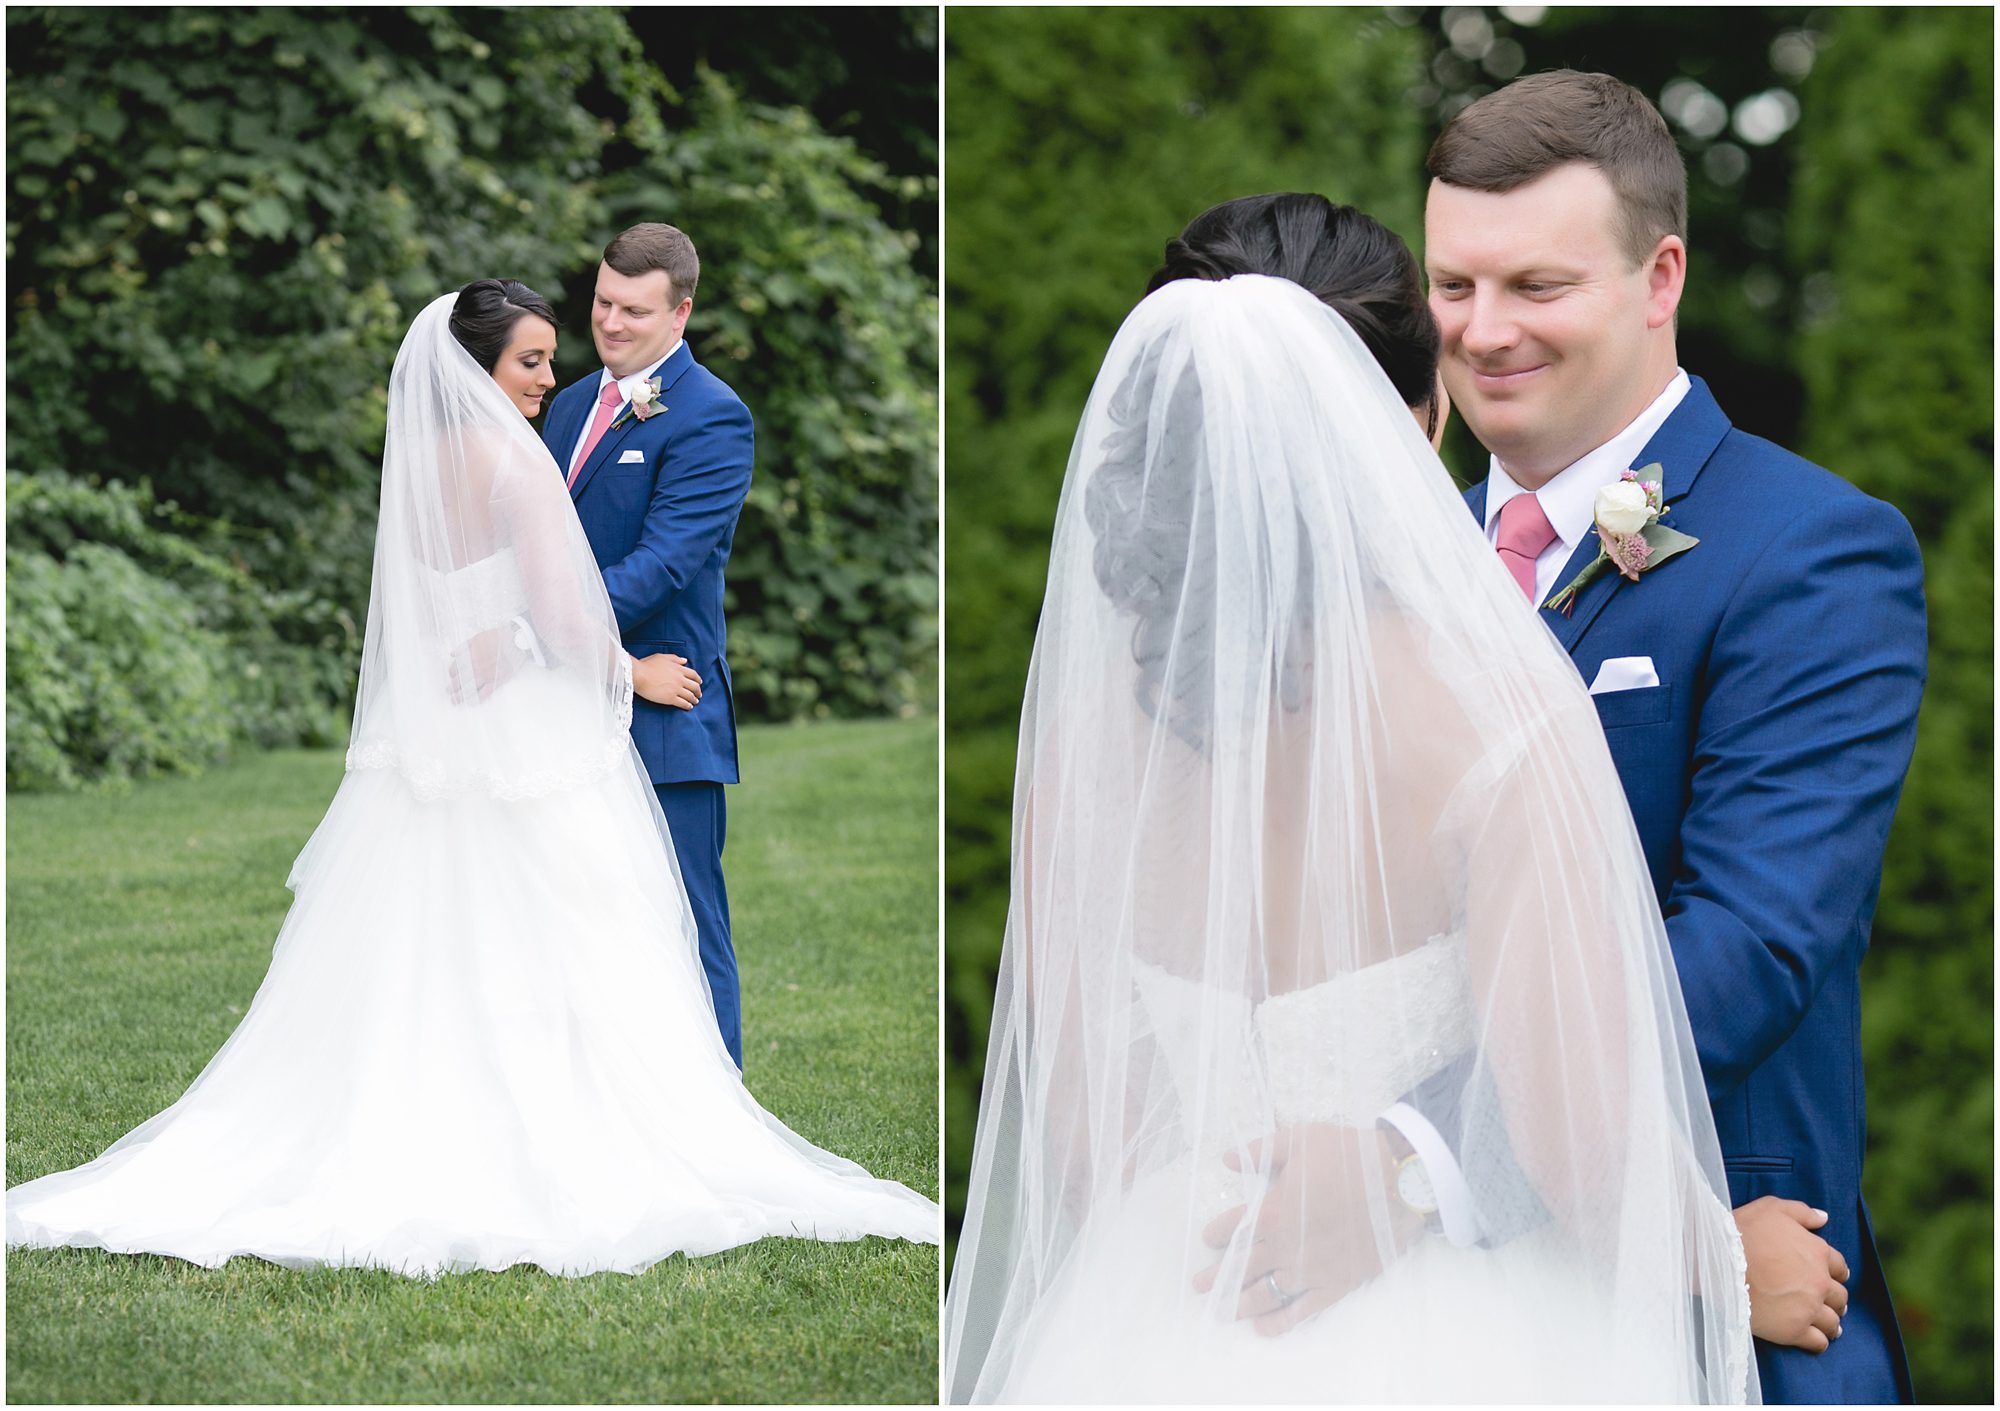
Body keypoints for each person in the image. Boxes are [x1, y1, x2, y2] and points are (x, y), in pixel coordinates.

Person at [941, 193, 1754, 1403]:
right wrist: (1729, 1262)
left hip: (1162, 1294)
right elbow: (1576, 1136)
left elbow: (1083, 1126)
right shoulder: (1495, 710)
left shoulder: (1084, 728)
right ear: (1408, 428)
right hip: (1453, 1330)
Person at [4, 281, 940, 1276]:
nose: (551, 378)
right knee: (564, 930)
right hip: (521, 735)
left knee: (428, 938)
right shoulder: (511, 461)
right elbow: (570, 619)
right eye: (529, 362)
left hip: (438, 735)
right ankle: (562, 1138)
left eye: (546, 359)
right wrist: (627, 671)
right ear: (477, 368)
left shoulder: (422, 461)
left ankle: (416, 1116)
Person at [1423, 71, 1922, 1404]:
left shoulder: (1810, 550)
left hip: (1709, 1314)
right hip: (1407, 1306)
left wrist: (1412, 1165)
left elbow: (1745, 948)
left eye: (1536, 286)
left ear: (1661, 279)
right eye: (1453, 287)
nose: (1483, 333)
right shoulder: (1395, 563)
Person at [539, 224, 752, 1069]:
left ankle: (723, 1114)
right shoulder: (562, 406)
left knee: (686, 922)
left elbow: (664, 563)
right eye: (601, 302)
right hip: (559, 708)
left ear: (681, 312)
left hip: (666, 715)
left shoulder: (712, 416)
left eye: (634, 309)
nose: (611, 323)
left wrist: (538, 625)